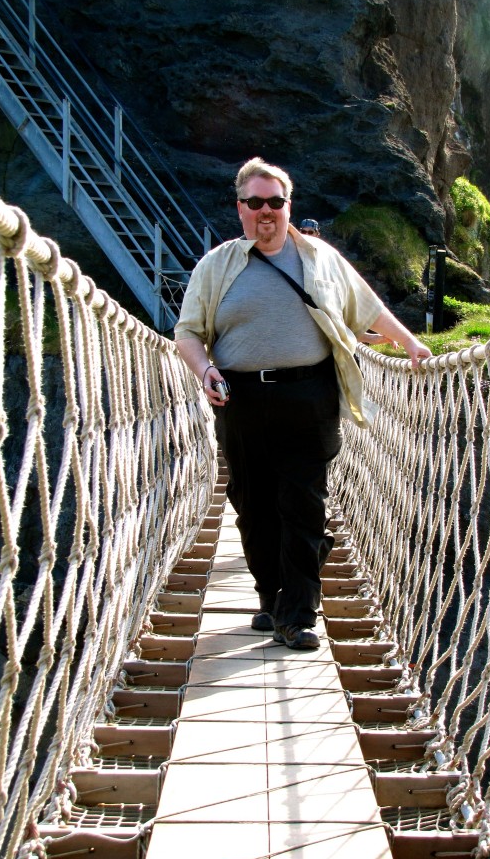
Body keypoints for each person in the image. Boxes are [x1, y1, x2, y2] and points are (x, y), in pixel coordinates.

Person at [174, 157, 431, 650]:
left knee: (303, 502)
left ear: (289, 207)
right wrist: (204, 369)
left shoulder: (320, 257)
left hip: (309, 395)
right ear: (240, 209)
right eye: (255, 202)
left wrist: (410, 342)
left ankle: (297, 613)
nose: (265, 211)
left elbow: (368, 306)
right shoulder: (217, 265)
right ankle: (272, 596)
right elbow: (188, 332)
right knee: (251, 506)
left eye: (275, 202)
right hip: (239, 398)